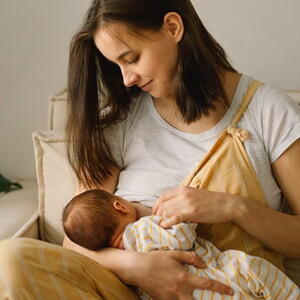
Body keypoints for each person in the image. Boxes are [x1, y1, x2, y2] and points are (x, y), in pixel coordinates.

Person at [0, 0, 299, 299]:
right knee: (9, 260)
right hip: (125, 291)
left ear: (173, 27)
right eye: (116, 66)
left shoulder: (268, 111)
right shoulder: (121, 121)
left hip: (233, 289)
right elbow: (75, 243)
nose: (127, 79)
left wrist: (234, 208)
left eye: (132, 58)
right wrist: (135, 267)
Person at [62, 189, 300, 299]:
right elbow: (181, 239)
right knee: (250, 268)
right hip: (216, 276)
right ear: (120, 206)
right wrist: (185, 217)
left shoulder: (119, 261)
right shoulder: (142, 229)